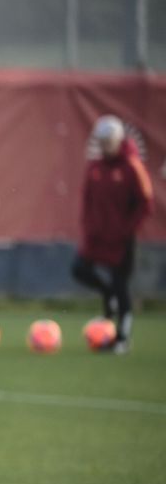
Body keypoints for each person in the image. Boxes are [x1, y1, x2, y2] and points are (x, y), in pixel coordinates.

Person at [71, 115, 154, 354]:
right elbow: (87, 199)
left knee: (120, 284)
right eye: (102, 141)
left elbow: (146, 203)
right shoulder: (94, 167)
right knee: (79, 269)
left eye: (109, 140)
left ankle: (122, 338)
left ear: (119, 140)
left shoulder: (131, 166)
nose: (105, 145)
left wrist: (126, 230)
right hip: (97, 237)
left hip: (121, 240)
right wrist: (88, 226)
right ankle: (108, 296)